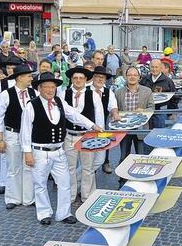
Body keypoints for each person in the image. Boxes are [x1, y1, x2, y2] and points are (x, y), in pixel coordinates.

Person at [21, 72, 102, 225]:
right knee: (40, 183)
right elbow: (25, 131)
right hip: (40, 151)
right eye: (47, 87)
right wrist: (27, 153)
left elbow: (74, 115)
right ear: (40, 88)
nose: (50, 90)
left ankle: (64, 213)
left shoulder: (59, 102)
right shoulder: (32, 105)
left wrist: (92, 125)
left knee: (64, 182)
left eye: (53, 87)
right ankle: (44, 213)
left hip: (59, 150)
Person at [0, 65, 37, 209]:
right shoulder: (6, 94)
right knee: (13, 166)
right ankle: (12, 198)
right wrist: (0, 139)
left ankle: (28, 198)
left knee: (29, 166)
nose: (31, 78)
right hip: (12, 133)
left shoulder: (34, 93)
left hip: (29, 135)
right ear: (19, 77)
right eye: (29, 76)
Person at [60, 66, 98, 203]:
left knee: (88, 168)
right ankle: (70, 195)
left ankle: (87, 195)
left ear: (86, 79)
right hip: (69, 135)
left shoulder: (93, 94)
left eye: (81, 78)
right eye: (75, 78)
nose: (78, 80)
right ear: (71, 79)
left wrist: (100, 136)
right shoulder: (63, 94)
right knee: (69, 167)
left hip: (87, 135)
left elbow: (98, 116)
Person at [115, 66, 155, 187]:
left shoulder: (147, 91)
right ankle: (122, 181)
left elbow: (152, 108)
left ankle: (140, 181)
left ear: (139, 77)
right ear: (125, 77)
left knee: (141, 157)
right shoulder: (119, 92)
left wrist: (143, 110)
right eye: (129, 75)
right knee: (123, 157)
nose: (132, 77)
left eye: (134, 75)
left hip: (141, 129)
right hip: (124, 129)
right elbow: (115, 109)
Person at [89, 66, 120, 174]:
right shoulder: (86, 90)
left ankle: (83, 178)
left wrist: (115, 113)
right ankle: (85, 184)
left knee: (100, 159)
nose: (100, 79)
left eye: (102, 77)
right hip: (86, 130)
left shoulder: (108, 92)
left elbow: (113, 106)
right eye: (97, 76)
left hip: (102, 129)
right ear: (93, 77)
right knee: (87, 161)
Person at [140, 59, 177, 130]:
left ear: (160, 68)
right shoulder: (144, 79)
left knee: (159, 132)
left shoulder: (168, 81)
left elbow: (174, 98)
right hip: (146, 111)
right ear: (149, 67)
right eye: (152, 67)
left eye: (156, 67)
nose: (154, 69)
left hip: (160, 111)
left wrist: (172, 113)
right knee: (146, 133)